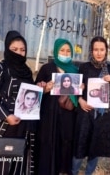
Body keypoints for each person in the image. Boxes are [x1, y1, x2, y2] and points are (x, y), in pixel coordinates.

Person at [0, 30, 37, 174]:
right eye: (14, 49)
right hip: (4, 126)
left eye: (22, 50)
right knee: (0, 161)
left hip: (22, 126)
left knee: (18, 162)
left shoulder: (26, 72)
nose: (19, 53)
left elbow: (30, 96)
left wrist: (41, 88)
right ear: (7, 49)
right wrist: (6, 116)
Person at [72, 36, 110, 175]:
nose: (99, 53)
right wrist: (80, 100)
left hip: (102, 116)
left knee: (95, 148)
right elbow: (76, 90)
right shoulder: (84, 67)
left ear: (106, 51)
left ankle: (88, 173)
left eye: (102, 49)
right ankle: (73, 172)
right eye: (95, 49)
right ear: (91, 51)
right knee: (79, 146)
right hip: (85, 113)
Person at [34, 38, 79, 175]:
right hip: (49, 116)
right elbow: (35, 91)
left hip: (67, 116)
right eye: (62, 50)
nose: (65, 54)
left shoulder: (75, 70)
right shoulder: (46, 68)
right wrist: (46, 88)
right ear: (56, 51)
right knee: (48, 143)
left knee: (65, 144)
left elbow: (77, 95)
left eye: (68, 51)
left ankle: (63, 170)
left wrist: (80, 88)